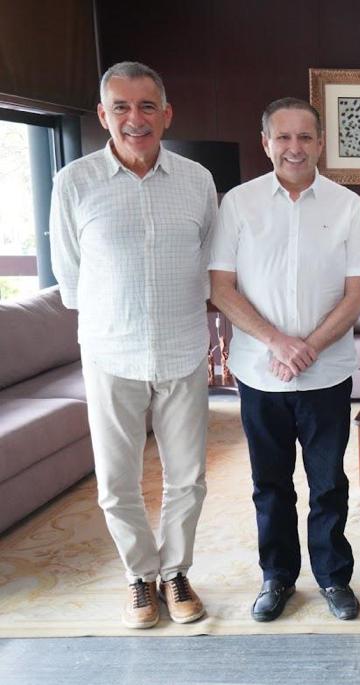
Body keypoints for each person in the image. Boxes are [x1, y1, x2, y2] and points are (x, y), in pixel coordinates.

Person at [50, 61, 216, 629]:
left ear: (167, 114)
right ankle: (139, 577)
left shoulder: (197, 180)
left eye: (147, 106)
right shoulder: (73, 182)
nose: (135, 118)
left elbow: (207, 263)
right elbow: (70, 276)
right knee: (117, 481)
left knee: (187, 477)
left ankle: (175, 572)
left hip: (182, 348)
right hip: (110, 352)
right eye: (121, 107)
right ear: (103, 115)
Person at [209, 98, 360, 622]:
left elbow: (356, 296)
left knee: (329, 484)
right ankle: (277, 577)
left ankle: (333, 577)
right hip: (261, 374)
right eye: (283, 137)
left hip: (327, 373)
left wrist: (309, 347)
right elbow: (222, 288)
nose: (294, 148)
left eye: (305, 137)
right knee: (270, 485)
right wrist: (278, 343)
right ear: (266, 143)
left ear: (320, 142)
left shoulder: (348, 206)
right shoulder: (238, 203)